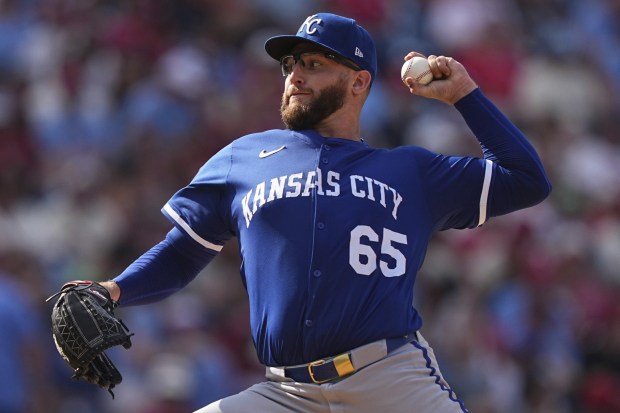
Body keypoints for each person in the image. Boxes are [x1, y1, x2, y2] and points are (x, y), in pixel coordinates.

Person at [97, 12, 551, 413]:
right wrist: (113, 291)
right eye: (291, 64)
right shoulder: (243, 158)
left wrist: (464, 95)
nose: (295, 75)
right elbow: (182, 254)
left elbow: (527, 179)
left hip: (390, 382)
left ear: (359, 82)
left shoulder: (410, 170)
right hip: (284, 394)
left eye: (314, 65)